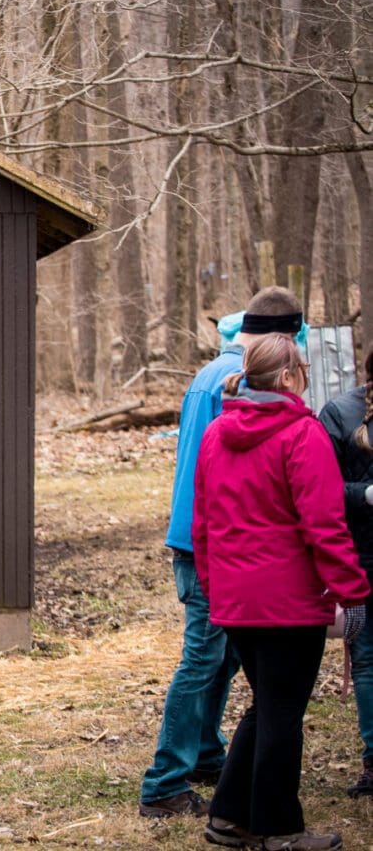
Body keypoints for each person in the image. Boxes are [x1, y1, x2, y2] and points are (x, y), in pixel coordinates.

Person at [193, 334, 369, 850]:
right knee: (282, 712)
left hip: (236, 599)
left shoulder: (218, 432)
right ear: (290, 376)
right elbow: (325, 525)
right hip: (288, 602)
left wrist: (213, 585)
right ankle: (279, 829)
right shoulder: (302, 434)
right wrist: (352, 590)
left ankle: (228, 815)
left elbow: (203, 524)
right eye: (304, 367)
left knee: (269, 704)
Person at [140, 286, 306, 817]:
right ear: (285, 342)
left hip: (199, 537)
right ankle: (165, 782)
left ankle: (208, 753)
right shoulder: (237, 382)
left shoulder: (213, 374)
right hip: (209, 541)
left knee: (226, 657)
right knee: (203, 659)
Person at [320, 347, 373, 797]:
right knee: (370, 661)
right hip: (362, 559)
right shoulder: (340, 413)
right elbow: (320, 490)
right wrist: (367, 495)